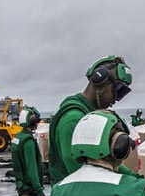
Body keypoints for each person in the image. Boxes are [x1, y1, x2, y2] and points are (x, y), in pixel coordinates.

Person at [48, 55, 134, 185]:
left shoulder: (91, 118)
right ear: (100, 81)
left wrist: (137, 180)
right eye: (117, 90)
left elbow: (104, 160)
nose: (117, 99)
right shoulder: (73, 120)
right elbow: (84, 178)